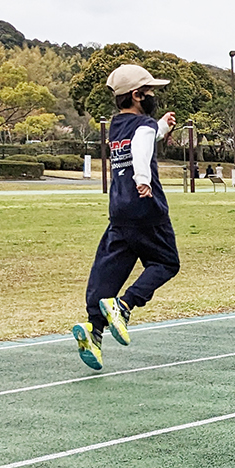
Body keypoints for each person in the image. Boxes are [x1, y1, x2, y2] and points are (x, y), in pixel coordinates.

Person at [71, 65, 180, 370]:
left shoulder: (117, 126)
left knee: (108, 271)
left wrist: (162, 126)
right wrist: (143, 178)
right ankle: (124, 304)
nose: (153, 96)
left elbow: (141, 136)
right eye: (149, 92)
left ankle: (94, 329)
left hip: (119, 209)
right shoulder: (142, 126)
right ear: (136, 95)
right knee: (167, 263)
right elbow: (142, 144)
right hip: (147, 209)